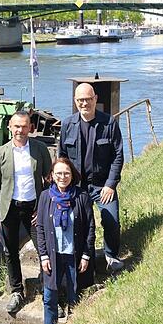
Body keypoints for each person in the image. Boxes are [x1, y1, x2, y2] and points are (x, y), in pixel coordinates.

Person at [0, 110, 52, 314]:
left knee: (44, 248)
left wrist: (43, 208)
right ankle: (16, 291)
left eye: (24, 126)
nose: (20, 130)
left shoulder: (40, 149)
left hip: (33, 208)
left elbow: (49, 181)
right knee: (10, 252)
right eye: (17, 126)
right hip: (10, 208)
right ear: (10, 127)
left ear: (30, 128)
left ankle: (46, 287)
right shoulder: (1, 152)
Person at [58, 83, 125, 272]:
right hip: (76, 186)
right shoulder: (67, 125)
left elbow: (118, 155)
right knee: (72, 222)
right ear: (75, 101)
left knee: (111, 221)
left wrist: (111, 185)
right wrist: (62, 184)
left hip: (102, 185)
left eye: (88, 99)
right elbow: (61, 156)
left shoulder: (109, 123)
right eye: (80, 100)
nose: (84, 103)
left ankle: (111, 256)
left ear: (95, 99)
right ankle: (73, 257)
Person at [36, 157, 95, 324]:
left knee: (74, 296)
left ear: (72, 175)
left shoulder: (82, 197)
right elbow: (40, 228)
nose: (63, 177)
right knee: (49, 297)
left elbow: (90, 228)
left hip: (74, 256)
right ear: (52, 175)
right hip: (52, 257)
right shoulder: (46, 197)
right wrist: (43, 255)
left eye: (66, 173)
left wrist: (86, 254)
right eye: (59, 173)